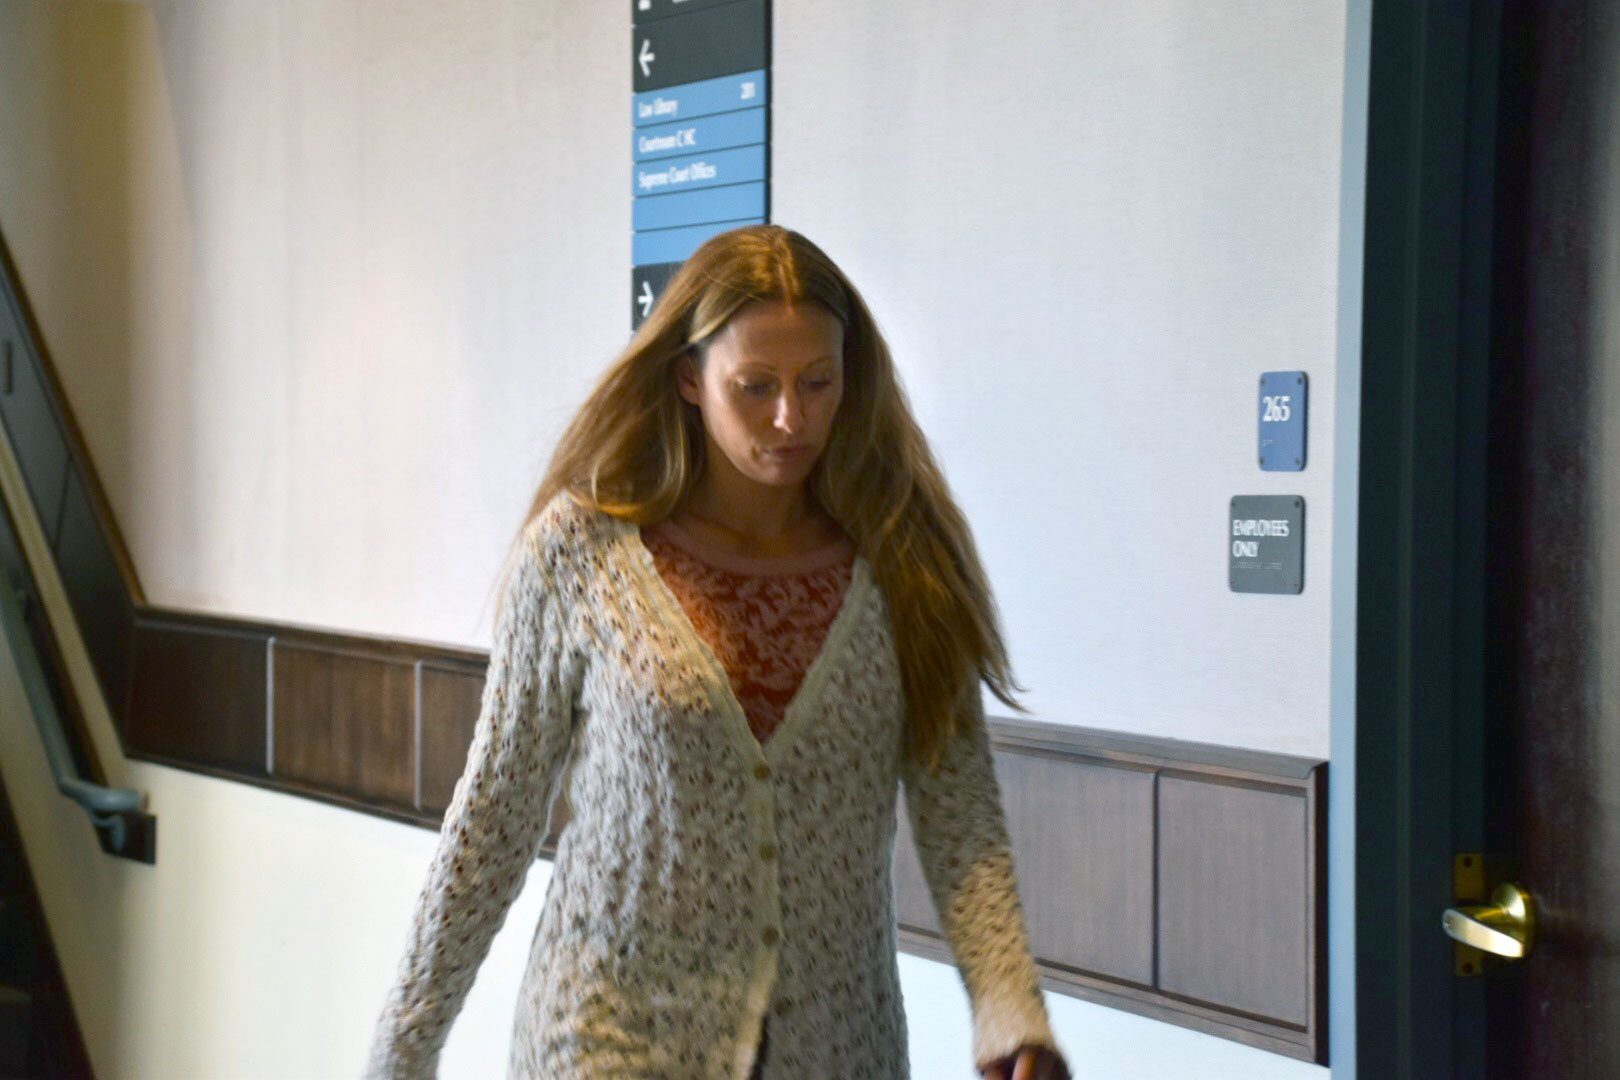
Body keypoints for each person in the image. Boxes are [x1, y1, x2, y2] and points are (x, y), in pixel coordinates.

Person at [365, 225, 1072, 1080]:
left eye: (818, 382)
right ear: (689, 380)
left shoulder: (903, 559)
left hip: (838, 1044)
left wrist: (1009, 1006)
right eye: (755, 386)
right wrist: (401, 1053)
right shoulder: (580, 552)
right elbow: (494, 817)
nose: (790, 416)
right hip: (609, 1040)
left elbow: (958, 803)